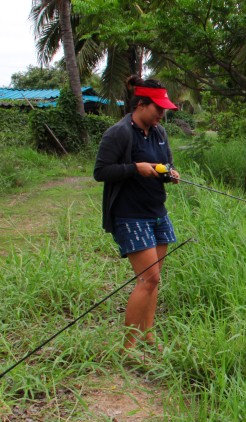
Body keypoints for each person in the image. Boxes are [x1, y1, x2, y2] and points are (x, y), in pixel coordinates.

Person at [93, 76, 180, 354]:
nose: (162, 115)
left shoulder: (159, 133)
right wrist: (135, 168)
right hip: (130, 216)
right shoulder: (119, 133)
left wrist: (170, 174)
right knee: (148, 278)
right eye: (158, 109)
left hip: (157, 212)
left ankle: (149, 335)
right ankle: (127, 348)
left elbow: (164, 165)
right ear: (141, 105)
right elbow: (101, 172)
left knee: (155, 280)